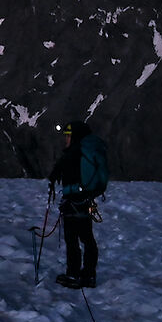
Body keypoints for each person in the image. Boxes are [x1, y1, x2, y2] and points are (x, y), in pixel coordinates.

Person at [49, 119, 108, 288]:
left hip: (73, 200)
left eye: (68, 135)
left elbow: (65, 171)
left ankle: (73, 274)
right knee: (87, 237)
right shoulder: (85, 150)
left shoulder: (74, 153)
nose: (66, 139)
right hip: (85, 200)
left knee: (72, 238)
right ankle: (89, 275)